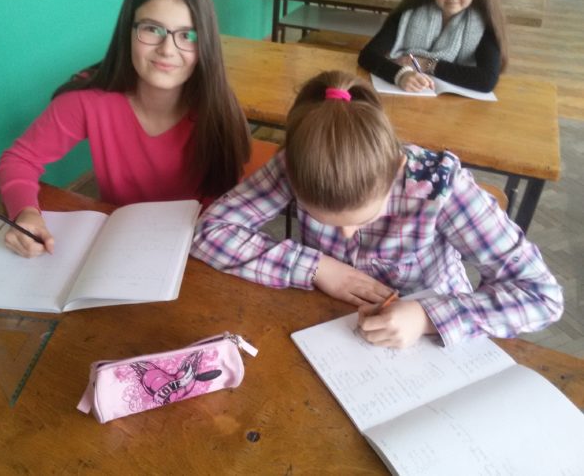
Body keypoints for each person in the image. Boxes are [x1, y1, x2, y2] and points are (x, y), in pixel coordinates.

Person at [191, 71, 562, 349]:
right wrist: (317, 267)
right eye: (322, 220)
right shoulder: (297, 163)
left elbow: (541, 296)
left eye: (364, 219)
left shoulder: (437, 185)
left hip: (432, 335)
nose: (346, 236)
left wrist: (427, 317)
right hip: (332, 322)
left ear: (397, 170)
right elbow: (209, 231)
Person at [0, 0, 250, 258]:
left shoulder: (217, 110)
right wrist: (26, 213)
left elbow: (228, 201)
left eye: (187, 35)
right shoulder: (88, 100)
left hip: (194, 246)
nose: (167, 49)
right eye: (152, 29)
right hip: (117, 245)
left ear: (205, 44)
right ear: (127, 30)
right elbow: (20, 159)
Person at [358, 0, 508, 93]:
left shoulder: (484, 24)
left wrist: (425, 64)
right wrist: (401, 75)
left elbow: (486, 80)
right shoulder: (409, 15)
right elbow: (368, 56)